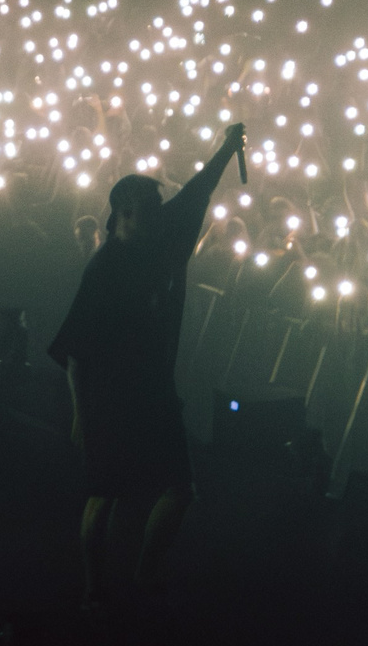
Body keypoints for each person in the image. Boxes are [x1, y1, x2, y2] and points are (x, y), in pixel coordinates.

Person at [49, 122, 246, 609]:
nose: (160, 216)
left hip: (154, 392)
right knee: (104, 495)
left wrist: (226, 148)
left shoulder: (159, 239)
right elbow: (76, 352)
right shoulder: (103, 271)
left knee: (180, 490)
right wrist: (81, 415)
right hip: (110, 399)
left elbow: (197, 191)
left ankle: (144, 572)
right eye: (149, 210)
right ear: (123, 213)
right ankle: (94, 587)